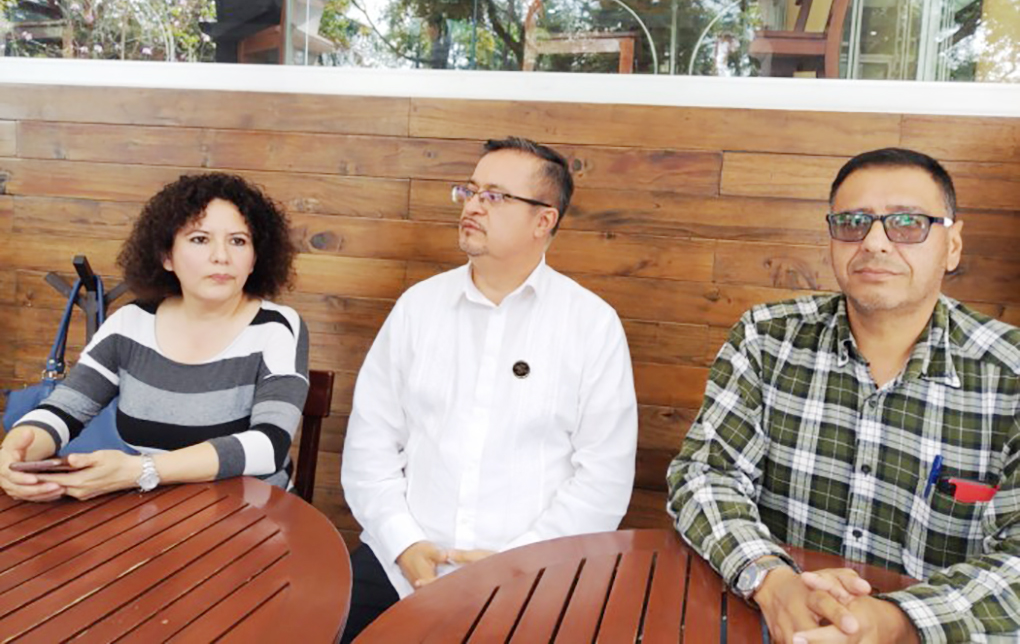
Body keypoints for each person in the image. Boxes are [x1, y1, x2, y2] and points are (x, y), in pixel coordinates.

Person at [668, 148, 1019, 644]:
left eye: (907, 223)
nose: (874, 242)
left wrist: (896, 621)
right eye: (853, 222)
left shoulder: (1010, 373)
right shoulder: (766, 338)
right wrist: (771, 580)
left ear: (953, 245)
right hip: (774, 624)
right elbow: (704, 474)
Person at [340, 137, 638, 641]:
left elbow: (603, 480)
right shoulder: (418, 307)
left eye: (495, 196)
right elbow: (370, 446)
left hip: (536, 576)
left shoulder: (591, 324)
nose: (473, 206)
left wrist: (515, 567)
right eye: (470, 190)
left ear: (544, 220)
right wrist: (404, 543)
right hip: (402, 563)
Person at [0, 173, 308, 501]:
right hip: (150, 512)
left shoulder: (277, 327)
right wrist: (15, 451)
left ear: (255, 258)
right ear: (166, 256)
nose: (222, 256)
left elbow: (269, 445)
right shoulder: (131, 323)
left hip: (252, 513)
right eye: (200, 239)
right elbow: (64, 409)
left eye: (238, 241)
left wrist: (141, 470)